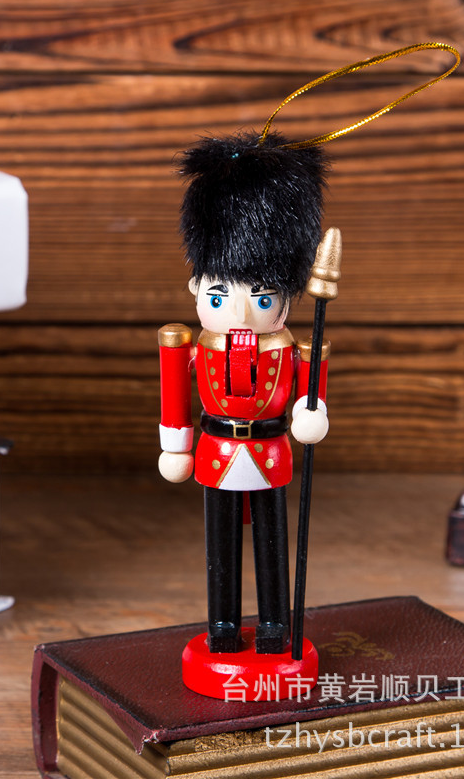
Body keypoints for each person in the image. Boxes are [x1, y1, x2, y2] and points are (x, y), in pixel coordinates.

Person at [158, 131, 330, 655]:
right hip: (216, 450)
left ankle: (275, 624)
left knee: (272, 544)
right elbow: (175, 394)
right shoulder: (192, 346)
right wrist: (176, 444)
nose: (237, 313)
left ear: (287, 297)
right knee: (221, 547)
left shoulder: (292, 349)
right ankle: (223, 625)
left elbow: (311, 386)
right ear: (196, 289)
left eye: (261, 298)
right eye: (218, 297)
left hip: (270, 450)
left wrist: (311, 413)